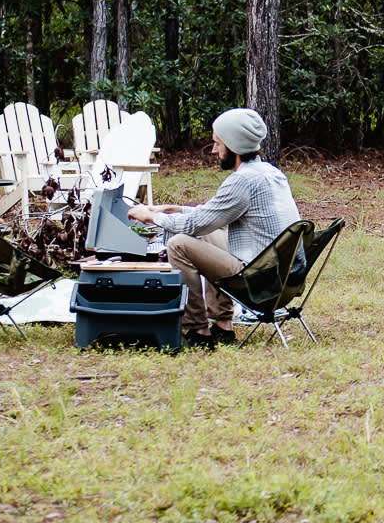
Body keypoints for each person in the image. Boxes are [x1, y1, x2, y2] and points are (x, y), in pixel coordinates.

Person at [126, 107, 299, 347]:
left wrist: (150, 217)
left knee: (178, 244)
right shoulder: (269, 173)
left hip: (259, 280)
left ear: (233, 145)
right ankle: (222, 326)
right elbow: (211, 215)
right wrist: (174, 209)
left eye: (218, 143)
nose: (214, 150)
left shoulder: (242, 181)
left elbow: (193, 226)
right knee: (211, 233)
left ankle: (197, 330)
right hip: (280, 274)